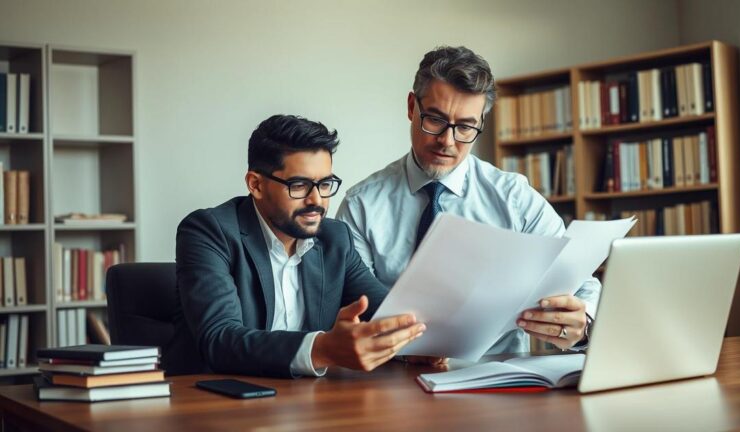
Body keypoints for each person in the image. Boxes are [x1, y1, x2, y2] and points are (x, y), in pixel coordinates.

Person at [336, 46, 599, 352]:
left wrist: (583, 322)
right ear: (411, 106)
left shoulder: (514, 198)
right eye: (434, 120)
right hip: (391, 378)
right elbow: (354, 307)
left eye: (465, 127)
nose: (447, 141)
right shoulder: (362, 205)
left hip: (496, 378)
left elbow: (582, 281)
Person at [169, 114, 426, 378]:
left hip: (305, 402)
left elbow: (385, 311)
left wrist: (418, 343)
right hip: (215, 400)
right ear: (256, 184)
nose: (316, 200)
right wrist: (322, 349)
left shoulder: (335, 239)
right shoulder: (208, 231)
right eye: (300, 185)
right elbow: (220, 339)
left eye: (325, 184)